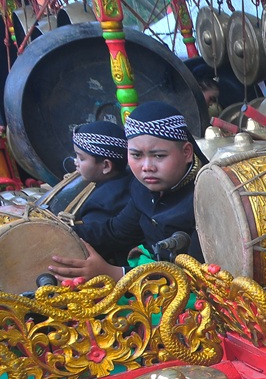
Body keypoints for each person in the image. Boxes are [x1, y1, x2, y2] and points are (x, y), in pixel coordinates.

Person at [50, 102, 206, 281]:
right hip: (148, 272)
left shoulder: (205, 199)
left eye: (159, 155)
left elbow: (196, 275)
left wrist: (116, 273)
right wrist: (58, 233)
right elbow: (116, 231)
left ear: (186, 152)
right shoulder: (142, 189)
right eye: (136, 155)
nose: (147, 167)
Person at [68, 121, 133, 245]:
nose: (76, 162)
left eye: (81, 158)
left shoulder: (99, 205)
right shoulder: (131, 179)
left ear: (106, 166)